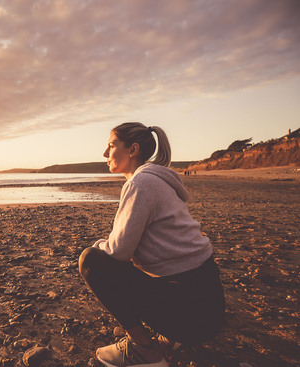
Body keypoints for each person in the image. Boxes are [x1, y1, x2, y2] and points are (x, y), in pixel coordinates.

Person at [79, 122, 225, 367]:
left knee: (90, 261)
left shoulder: (141, 184)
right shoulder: (157, 180)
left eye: (111, 146)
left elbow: (118, 252)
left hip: (191, 314)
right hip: (209, 308)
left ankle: (146, 351)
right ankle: (171, 337)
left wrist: (98, 245)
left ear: (133, 149)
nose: (105, 154)